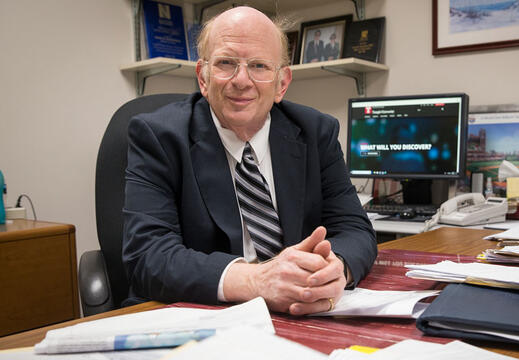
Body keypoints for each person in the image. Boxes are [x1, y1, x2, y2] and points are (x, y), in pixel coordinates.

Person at [122, 6, 377, 316]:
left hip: (297, 312)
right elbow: (147, 256)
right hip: (198, 315)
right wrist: (256, 281)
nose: (241, 80)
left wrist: (333, 270)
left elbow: (355, 229)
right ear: (203, 78)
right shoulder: (158, 136)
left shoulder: (316, 133)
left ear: (282, 83)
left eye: (258, 66)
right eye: (226, 63)